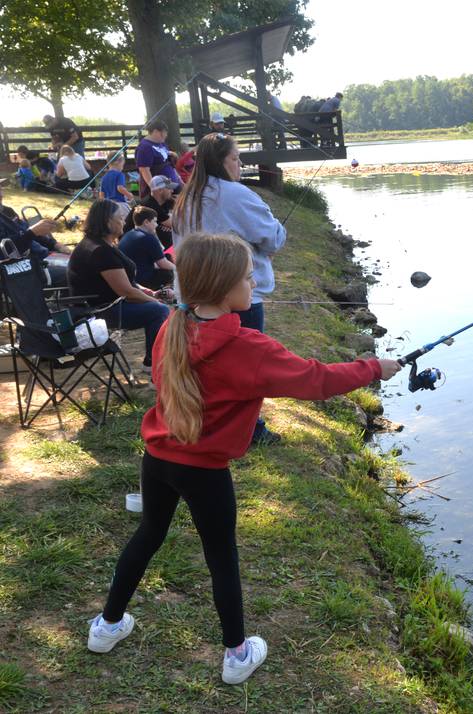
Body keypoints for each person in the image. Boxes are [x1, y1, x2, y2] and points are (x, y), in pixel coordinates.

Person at [85, 231, 401, 683]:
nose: (254, 285)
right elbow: (316, 380)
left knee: (149, 533)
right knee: (221, 557)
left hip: (157, 457)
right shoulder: (248, 349)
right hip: (205, 471)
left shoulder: (172, 325)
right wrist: (374, 367)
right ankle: (236, 655)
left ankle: (106, 626)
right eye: (248, 278)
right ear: (223, 286)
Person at [172, 132, 286, 445]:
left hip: (193, 297)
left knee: (206, 368)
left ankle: (206, 423)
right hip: (236, 297)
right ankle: (251, 430)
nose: (240, 164)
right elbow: (273, 238)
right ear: (221, 162)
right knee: (247, 366)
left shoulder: (187, 196)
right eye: (235, 158)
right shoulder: (235, 194)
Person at [67, 200, 171, 373]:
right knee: (159, 311)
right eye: (120, 218)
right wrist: (156, 301)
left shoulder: (102, 244)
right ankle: (153, 364)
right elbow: (126, 292)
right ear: (108, 221)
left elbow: (128, 282)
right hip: (98, 311)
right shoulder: (99, 251)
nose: (124, 221)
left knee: (158, 307)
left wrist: (150, 293)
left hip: (107, 304)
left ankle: (155, 361)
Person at [0, 178, 66, 257]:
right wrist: (31, 233)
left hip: (42, 256)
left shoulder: (8, 211)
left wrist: (55, 244)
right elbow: (4, 251)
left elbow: (26, 230)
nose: (1, 195)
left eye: (0, 189)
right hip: (22, 264)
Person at [119, 206, 175, 290]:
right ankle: (164, 292)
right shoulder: (148, 238)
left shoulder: (128, 234)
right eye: (155, 221)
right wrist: (179, 269)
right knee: (169, 273)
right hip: (143, 279)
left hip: (129, 277)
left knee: (166, 257)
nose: (156, 225)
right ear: (146, 222)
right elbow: (162, 263)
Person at [123, 175, 176, 249]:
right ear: (160, 190)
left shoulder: (163, 201)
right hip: (131, 241)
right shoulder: (150, 204)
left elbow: (171, 223)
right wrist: (169, 224)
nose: (172, 191)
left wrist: (168, 224)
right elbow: (176, 224)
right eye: (169, 188)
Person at [135, 120, 182, 199]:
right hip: (161, 190)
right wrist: (155, 189)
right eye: (164, 132)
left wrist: (179, 178)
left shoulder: (161, 143)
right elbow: (144, 170)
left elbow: (168, 162)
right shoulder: (145, 147)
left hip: (172, 184)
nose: (166, 135)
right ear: (156, 131)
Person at [99, 152, 135, 217]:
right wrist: (129, 195)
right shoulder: (119, 174)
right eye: (122, 165)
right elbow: (120, 188)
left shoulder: (104, 177)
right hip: (120, 204)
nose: (122, 168)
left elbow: (101, 195)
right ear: (117, 162)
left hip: (108, 206)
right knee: (127, 222)